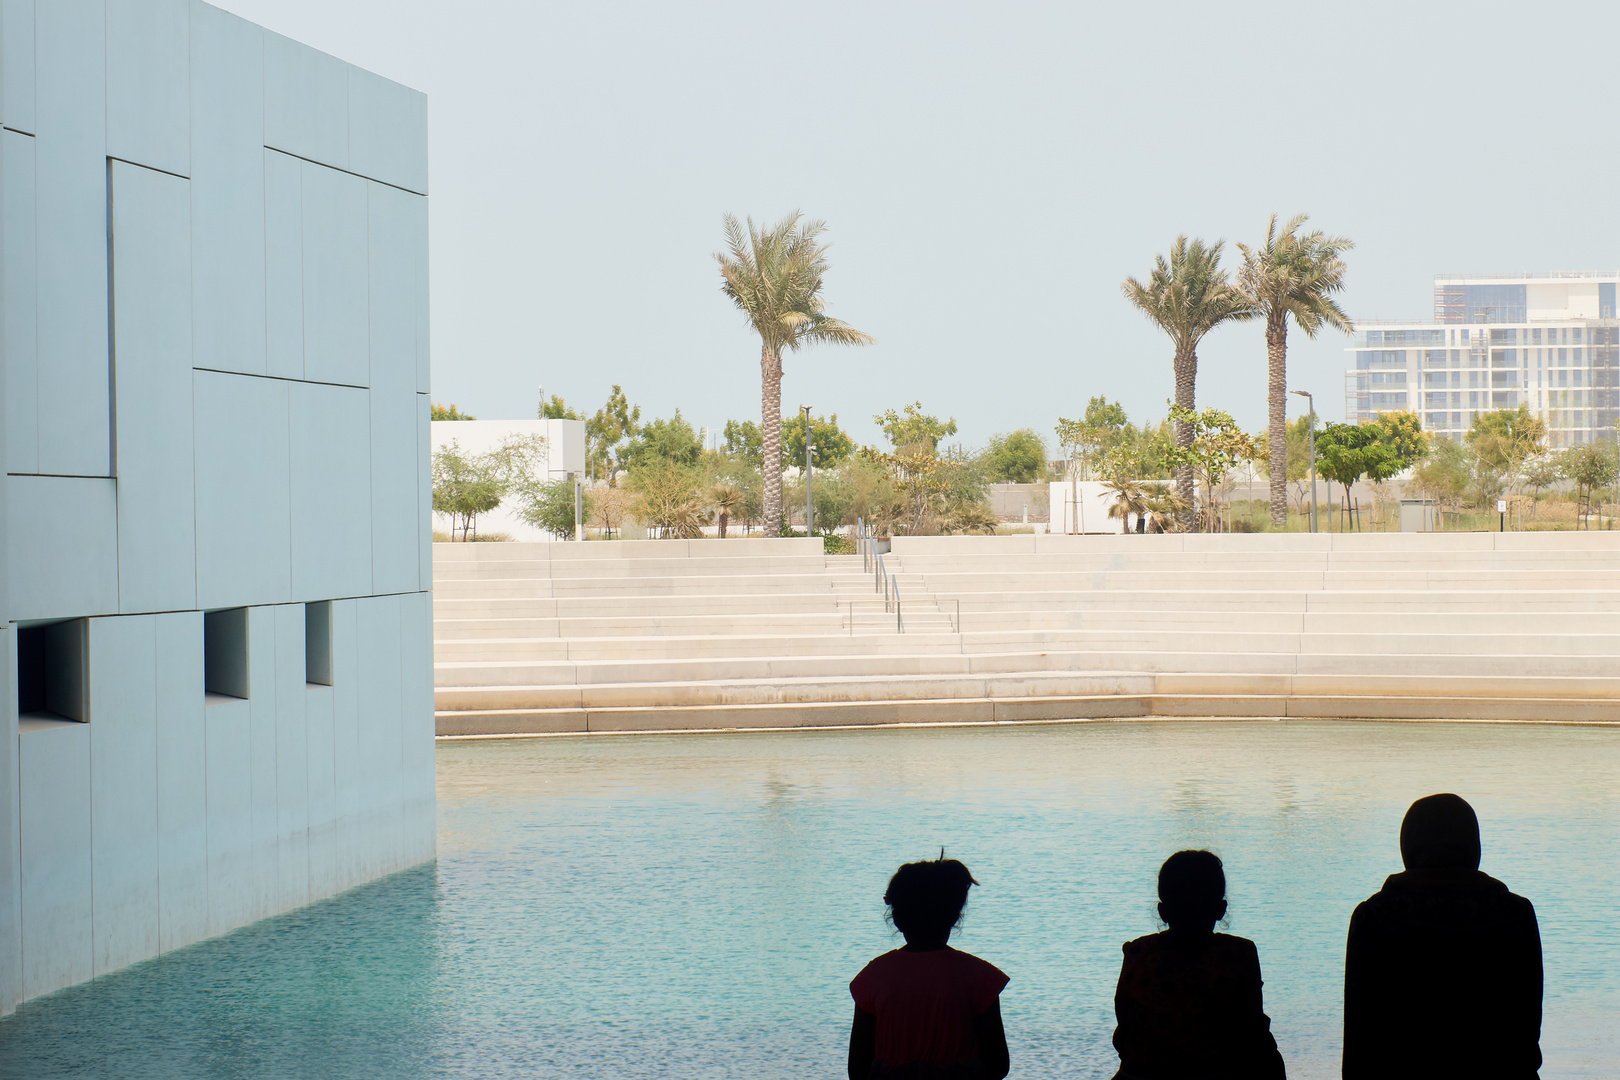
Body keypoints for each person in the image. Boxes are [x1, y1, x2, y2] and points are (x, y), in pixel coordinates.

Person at [1343, 793, 1542, 1079]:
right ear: (1472, 845)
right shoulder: (1514, 914)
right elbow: (1526, 1030)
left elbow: (1360, 1041)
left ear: (1409, 844)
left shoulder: (1375, 917)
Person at [1111, 850, 1286, 1080]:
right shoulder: (1239, 954)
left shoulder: (1138, 952)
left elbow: (1125, 1028)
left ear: (1163, 912)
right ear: (1220, 909)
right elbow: (1254, 1032)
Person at [848, 856, 1010, 1080]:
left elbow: (857, 1069)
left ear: (896, 918)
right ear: (954, 917)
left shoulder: (872, 976)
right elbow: (998, 1065)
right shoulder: (979, 975)